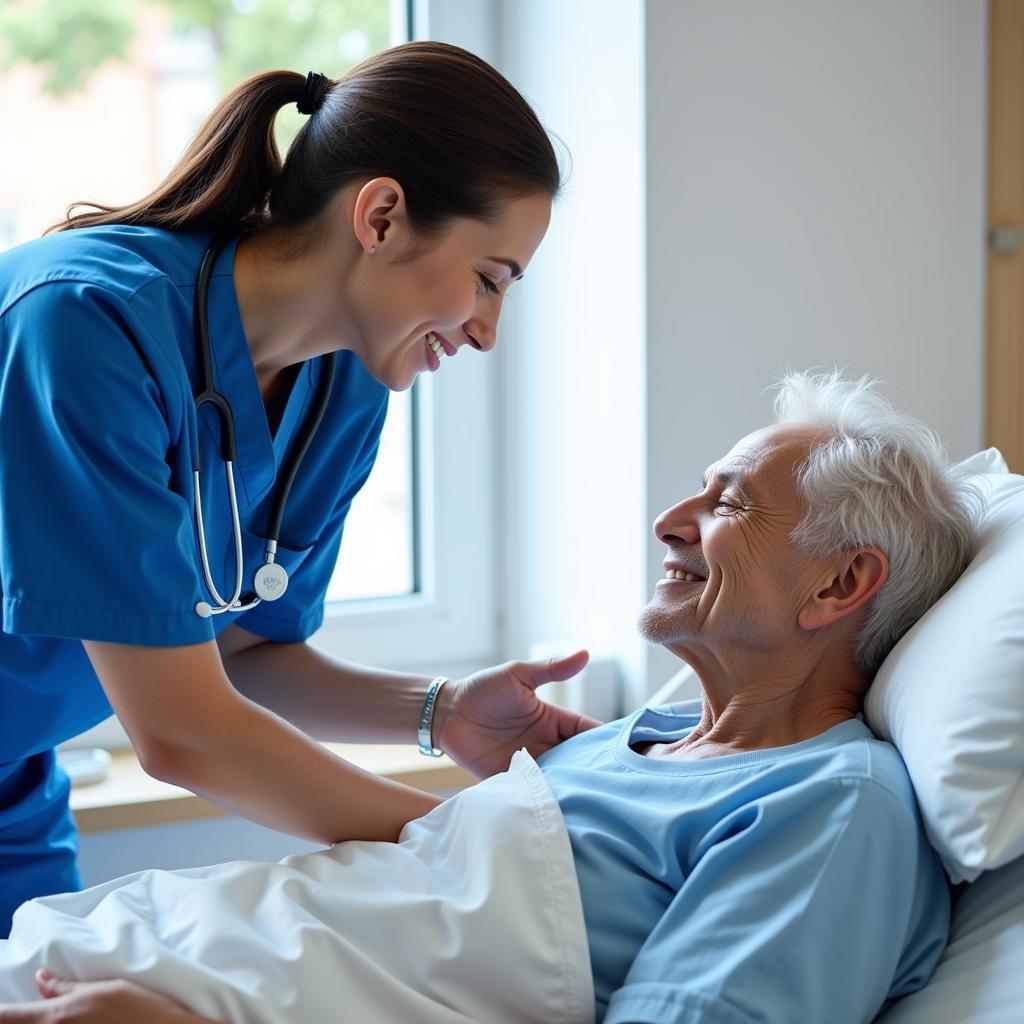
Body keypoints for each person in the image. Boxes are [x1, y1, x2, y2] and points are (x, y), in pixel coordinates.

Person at [0, 371, 981, 1024]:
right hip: (132, 945)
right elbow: (447, 904)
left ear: (840, 585)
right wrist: (508, 787)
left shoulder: (833, 806)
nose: (668, 519)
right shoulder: (629, 744)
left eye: (727, 502)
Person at [0, 40, 599, 939]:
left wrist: (441, 716)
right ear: (383, 214)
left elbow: (244, 649)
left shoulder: (344, 384)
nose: (486, 331)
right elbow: (181, 732)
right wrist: (472, 848)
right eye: (488, 279)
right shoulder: (83, 325)